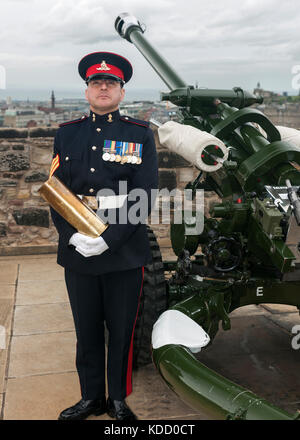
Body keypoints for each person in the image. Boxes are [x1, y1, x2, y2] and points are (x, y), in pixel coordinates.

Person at [49, 51, 158, 420]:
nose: (103, 87)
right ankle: (91, 397)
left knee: (122, 329)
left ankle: (117, 400)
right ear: (87, 91)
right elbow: (56, 191)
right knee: (87, 328)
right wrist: (71, 237)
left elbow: (145, 196)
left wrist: (108, 240)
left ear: (121, 92)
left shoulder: (139, 134)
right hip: (78, 248)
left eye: (111, 83)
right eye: (97, 82)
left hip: (124, 250)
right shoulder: (67, 134)